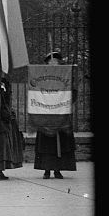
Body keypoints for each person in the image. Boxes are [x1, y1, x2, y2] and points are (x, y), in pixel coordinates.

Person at [34, 50, 77, 179]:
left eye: (56, 63)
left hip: (61, 115)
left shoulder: (66, 77)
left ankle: (58, 169)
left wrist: (64, 98)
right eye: (51, 63)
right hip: (46, 115)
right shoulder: (41, 78)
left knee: (62, 142)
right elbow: (37, 94)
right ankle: (46, 169)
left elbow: (73, 93)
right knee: (47, 143)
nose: (54, 65)